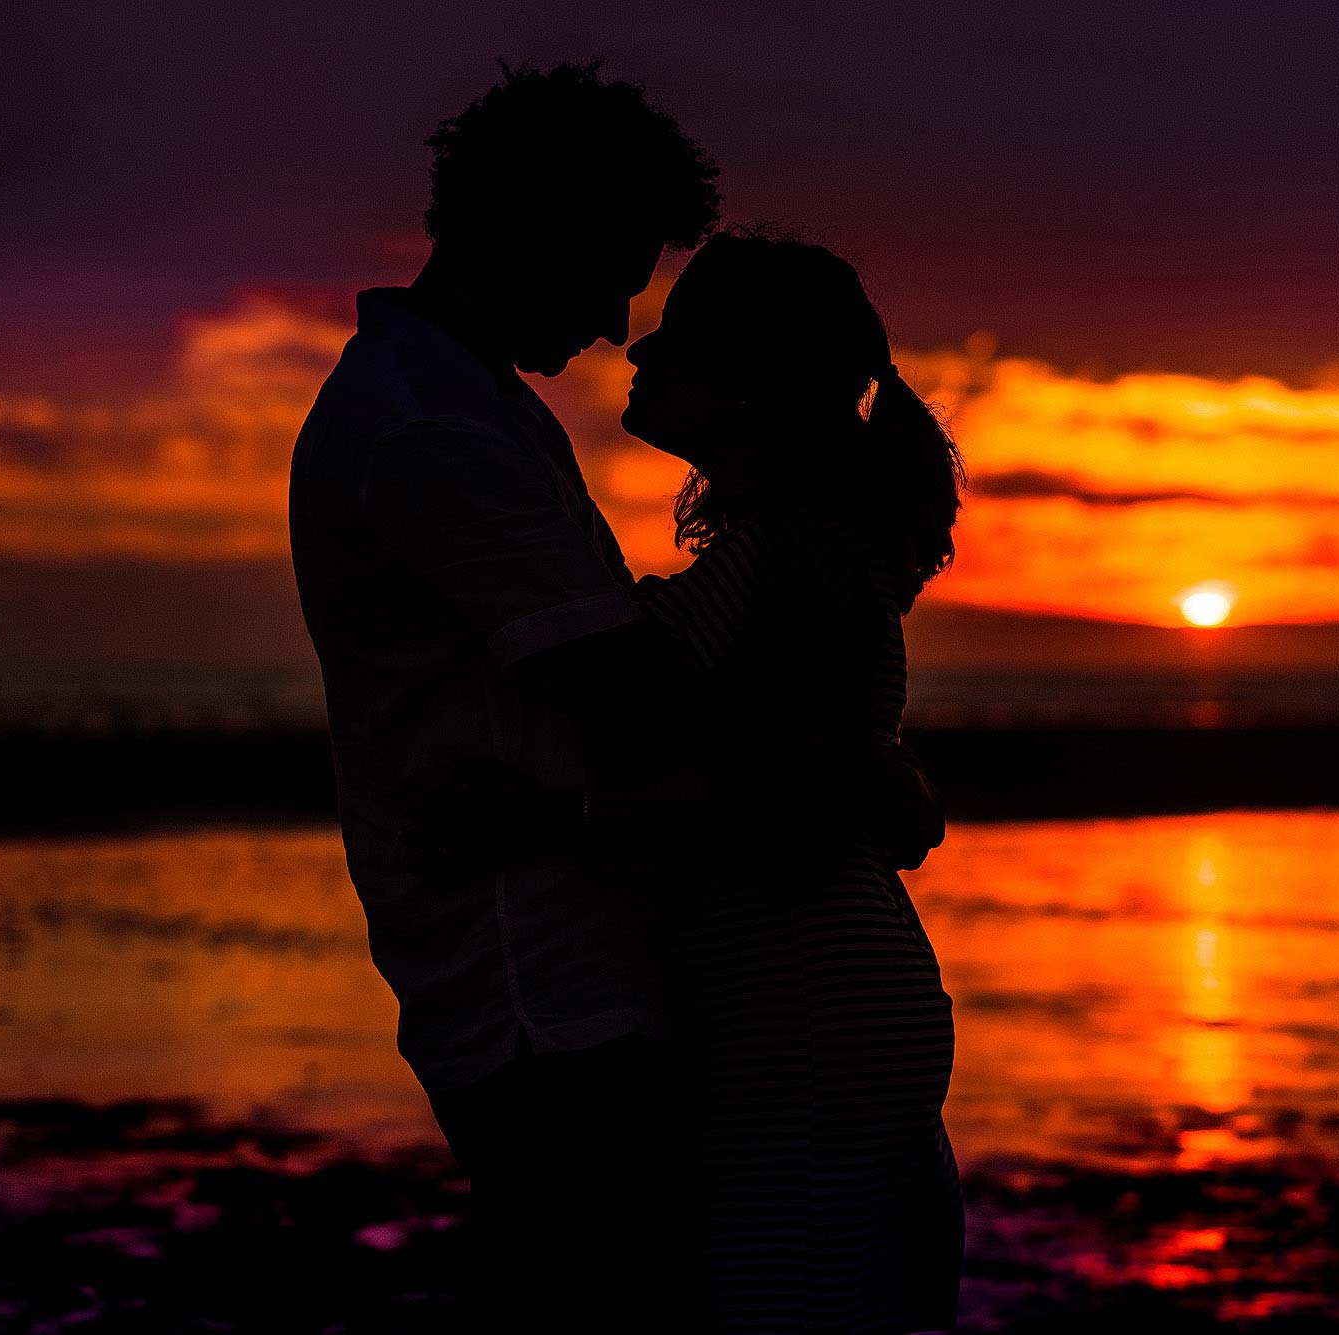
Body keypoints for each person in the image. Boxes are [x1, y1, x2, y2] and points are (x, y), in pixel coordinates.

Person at [287, 66, 941, 1330]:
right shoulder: (439, 427)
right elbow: (664, 704)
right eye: (612, 275)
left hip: (621, 991)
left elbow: (703, 705)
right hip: (541, 991)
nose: (612, 326)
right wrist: (862, 778)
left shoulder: (472, 411)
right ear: (538, 230)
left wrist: (854, 771)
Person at [612, 229, 967, 1333]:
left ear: (743, 387)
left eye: (671, 341)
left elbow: (628, 702)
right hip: (837, 983)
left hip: (793, 998)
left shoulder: (769, 563)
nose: (635, 354)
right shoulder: (809, 557)